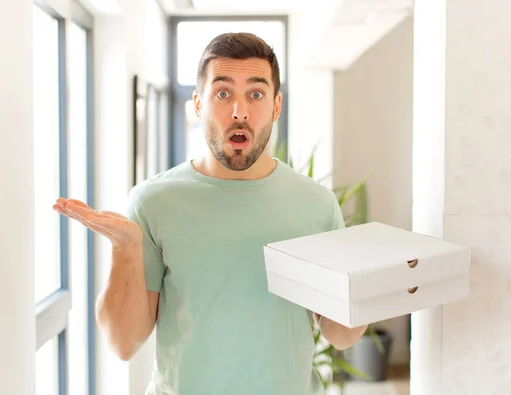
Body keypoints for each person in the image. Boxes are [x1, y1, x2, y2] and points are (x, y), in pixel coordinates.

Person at [53, 32, 367, 395]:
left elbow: (340, 334)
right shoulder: (153, 201)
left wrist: (372, 284)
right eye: (222, 93)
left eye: (256, 93)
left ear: (276, 106)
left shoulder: (316, 205)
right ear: (198, 105)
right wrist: (125, 248)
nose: (240, 111)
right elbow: (123, 343)